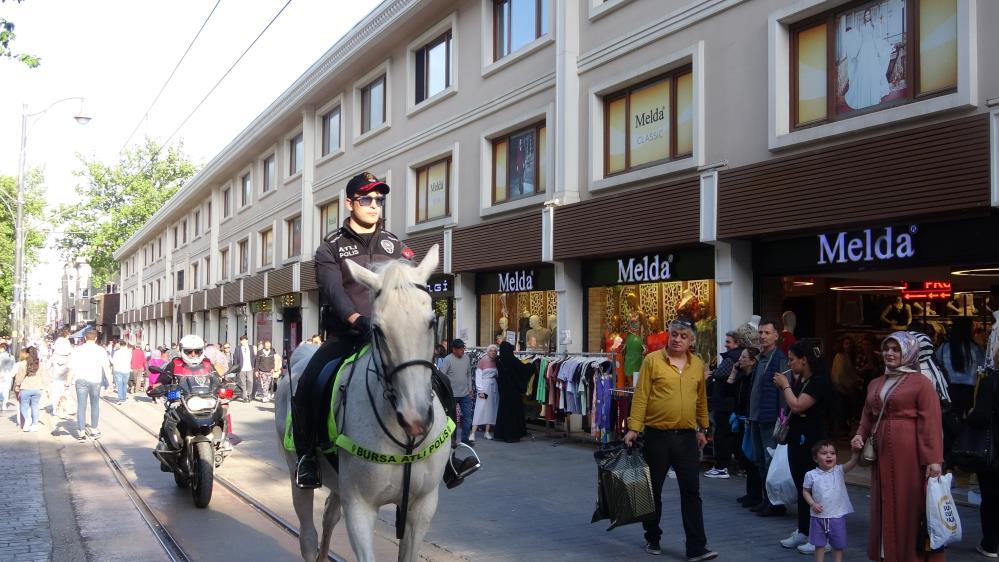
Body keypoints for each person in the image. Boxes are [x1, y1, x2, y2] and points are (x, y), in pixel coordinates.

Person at [292, 171, 411, 488]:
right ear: (350, 203)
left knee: (432, 378)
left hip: (390, 339)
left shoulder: (396, 245)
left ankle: (452, 453)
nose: (374, 205)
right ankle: (307, 458)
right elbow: (333, 291)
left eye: (379, 199)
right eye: (366, 199)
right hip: (347, 337)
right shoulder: (330, 248)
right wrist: (357, 320)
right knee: (307, 385)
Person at [623, 318, 718, 562]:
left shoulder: (697, 365)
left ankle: (697, 547)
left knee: (692, 492)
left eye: (683, 336)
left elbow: (701, 399)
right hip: (657, 436)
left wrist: (703, 429)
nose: (677, 339)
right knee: (653, 490)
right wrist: (633, 428)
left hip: (686, 437)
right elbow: (641, 396)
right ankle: (652, 536)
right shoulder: (652, 361)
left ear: (692, 341)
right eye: (674, 334)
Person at [850, 331, 944, 562]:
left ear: (909, 352)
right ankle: (887, 553)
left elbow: (931, 422)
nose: (889, 354)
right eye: (886, 349)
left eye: (896, 349)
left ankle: (909, 556)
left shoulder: (921, 383)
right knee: (884, 498)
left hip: (910, 454)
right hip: (881, 451)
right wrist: (859, 435)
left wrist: (934, 459)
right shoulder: (875, 382)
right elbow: (867, 415)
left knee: (908, 503)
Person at [773, 341, 833, 554]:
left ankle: (822, 537)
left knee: (815, 488)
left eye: (791, 359)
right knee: (802, 485)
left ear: (804, 360)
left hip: (812, 440)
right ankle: (804, 530)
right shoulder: (802, 380)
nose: (789, 363)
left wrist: (786, 386)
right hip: (797, 439)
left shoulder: (818, 382)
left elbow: (798, 405)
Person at [748, 318, 789, 516]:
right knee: (759, 460)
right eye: (761, 333)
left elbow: (784, 390)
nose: (763, 336)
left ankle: (775, 502)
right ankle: (767, 499)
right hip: (755, 417)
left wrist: (782, 418)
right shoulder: (760, 358)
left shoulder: (779, 358)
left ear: (776, 335)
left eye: (767, 333)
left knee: (769, 460)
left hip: (770, 417)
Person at [802, 440, 860, 562]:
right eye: (824, 453)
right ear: (815, 458)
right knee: (819, 544)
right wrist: (812, 503)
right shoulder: (811, 475)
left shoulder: (839, 471)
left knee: (838, 545)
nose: (829, 456)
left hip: (836, 515)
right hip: (818, 516)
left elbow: (852, 462)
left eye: (832, 453)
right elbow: (805, 491)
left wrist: (855, 453)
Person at [705, 330, 744, 479]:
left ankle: (722, 466)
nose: (725, 344)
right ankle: (738, 465)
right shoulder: (737, 357)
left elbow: (719, 373)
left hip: (724, 403)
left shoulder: (731, 358)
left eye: (728, 342)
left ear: (737, 343)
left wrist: (711, 374)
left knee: (722, 434)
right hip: (731, 403)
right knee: (732, 435)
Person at [937, 316, 985, 418]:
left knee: (951, 419)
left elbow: (937, 365)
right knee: (969, 419)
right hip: (970, 390)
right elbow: (982, 369)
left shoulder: (944, 347)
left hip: (949, 389)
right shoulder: (976, 349)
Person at [733, 347, 762, 508]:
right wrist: (733, 372)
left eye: (744, 357)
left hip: (749, 419)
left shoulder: (753, 378)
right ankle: (750, 492)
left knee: (753, 458)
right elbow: (730, 391)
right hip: (741, 418)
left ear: (752, 360)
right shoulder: (743, 377)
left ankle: (756, 494)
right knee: (745, 457)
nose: (740, 360)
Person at [69, 330, 111, 441]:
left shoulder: (77, 350)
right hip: (95, 380)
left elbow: (71, 368)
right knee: (95, 405)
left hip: (80, 380)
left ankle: (81, 432)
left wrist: (67, 382)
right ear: (96, 338)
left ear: (85, 338)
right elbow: (106, 368)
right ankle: (94, 429)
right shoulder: (101, 350)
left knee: (81, 406)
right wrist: (110, 383)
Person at [440, 339, 473, 445]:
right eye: (460, 348)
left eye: (463, 347)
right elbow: (442, 375)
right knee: (452, 419)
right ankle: (452, 440)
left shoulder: (467, 358)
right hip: (452, 395)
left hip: (465, 394)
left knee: (468, 418)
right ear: (454, 349)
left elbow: (468, 374)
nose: (463, 350)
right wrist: (445, 391)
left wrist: (470, 387)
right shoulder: (447, 359)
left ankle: (465, 439)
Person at [13, 346, 48, 432]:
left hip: (26, 388)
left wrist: (17, 385)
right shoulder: (40, 364)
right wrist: (46, 388)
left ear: (27, 354)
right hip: (38, 388)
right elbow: (44, 376)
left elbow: (20, 376)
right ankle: (35, 425)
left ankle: (27, 420)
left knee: (23, 406)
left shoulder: (23, 363)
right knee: (35, 407)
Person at [830, 336, 859, 434]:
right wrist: (849, 385)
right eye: (846, 343)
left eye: (850, 343)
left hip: (847, 387)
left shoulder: (849, 356)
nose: (849, 346)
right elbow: (840, 374)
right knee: (844, 412)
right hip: (842, 389)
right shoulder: (840, 356)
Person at [471, 344, 499, 440]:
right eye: (491, 350)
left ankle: (487, 432)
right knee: (480, 407)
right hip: (484, 387)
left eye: (495, 351)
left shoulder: (496, 362)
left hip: (493, 387)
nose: (493, 352)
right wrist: (480, 390)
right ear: (487, 351)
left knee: (491, 408)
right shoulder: (482, 361)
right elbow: (478, 376)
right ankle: (473, 432)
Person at [49, 329, 73, 417]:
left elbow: (51, 360)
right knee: (66, 391)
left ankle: (55, 409)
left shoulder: (57, 345)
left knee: (55, 392)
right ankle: (65, 409)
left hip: (56, 374)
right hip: (65, 373)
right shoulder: (68, 345)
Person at [228, 335, 255, 403]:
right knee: (243, 383)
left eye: (244, 340)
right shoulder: (238, 348)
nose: (243, 342)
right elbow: (235, 358)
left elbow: (253, 357)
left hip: (249, 368)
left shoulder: (251, 347)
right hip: (241, 368)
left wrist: (253, 366)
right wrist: (236, 367)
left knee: (250, 381)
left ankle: (249, 394)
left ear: (247, 341)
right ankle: (245, 397)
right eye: (241, 340)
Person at [0, 342, 15, 411]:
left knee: (0, 389)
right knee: (6, 390)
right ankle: (4, 404)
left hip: (1, 374)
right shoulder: (12, 357)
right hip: (8, 375)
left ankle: (1, 402)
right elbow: (13, 367)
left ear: (2, 348)